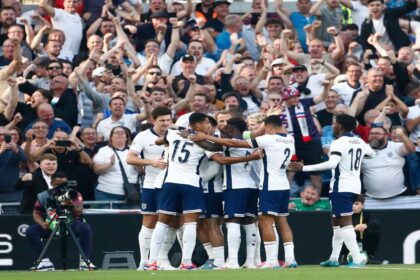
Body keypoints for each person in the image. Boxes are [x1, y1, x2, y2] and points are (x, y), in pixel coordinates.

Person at [144, 112, 260, 270]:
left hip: (170, 183)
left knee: (163, 222)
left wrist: (179, 135)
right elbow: (221, 156)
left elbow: (158, 141)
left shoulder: (173, 134)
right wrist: (250, 158)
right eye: (206, 123)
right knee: (191, 224)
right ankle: (186, 262)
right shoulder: (204, 142)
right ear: (197, 125)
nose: (209, 127)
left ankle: (151, 262)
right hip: (192, 184)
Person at [189, 115, 298, 268]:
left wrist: (199, 138)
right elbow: (250, 136)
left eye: (226, 128)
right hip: (255, 186)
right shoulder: (287, 139)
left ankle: (233, 261)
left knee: (233, 222)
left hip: (236, 187)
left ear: (232, 128)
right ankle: (253, 261)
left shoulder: (235, 142)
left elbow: (215, 147)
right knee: (251, 224)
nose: (224, 131)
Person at [289, 114, 375, 267]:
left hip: (341, 186)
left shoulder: (338, 143)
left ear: (340, 125)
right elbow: (372, 154)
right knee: (336, 222)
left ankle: (357, 258)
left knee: (345, 222)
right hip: (354, 185)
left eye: (334, 123)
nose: (333, 126)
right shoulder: (359, 140)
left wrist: (304, 168)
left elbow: (331, 164)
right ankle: (334, 258)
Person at [126, 107, 171, 268]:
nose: (166, 123)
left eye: (168, 120)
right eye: (162, 120)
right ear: (153, 120)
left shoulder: (176, 135)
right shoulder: (143, 136)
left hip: (172, 184)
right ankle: (144, 262)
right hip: (152, 183)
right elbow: (130, 158)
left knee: (172, 222)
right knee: (149, 221)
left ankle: (161, 260)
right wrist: (151, 162)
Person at [25, 172, 95, 271]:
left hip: (71, 224)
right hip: (51, 225)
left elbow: (78, 212)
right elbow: (36, 212)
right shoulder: (43, 196)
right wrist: (41, 223)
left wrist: (70, 205)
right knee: (31, 231)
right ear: (52, 183)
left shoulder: (73, 194)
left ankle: (85, 261)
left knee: (85, 227)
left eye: (64, 184)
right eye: (58, 184)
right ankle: (44, 262)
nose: (61, 187)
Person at [361, 126, 415, 198]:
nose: (374, 136)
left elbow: (411, 149)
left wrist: (402, 135)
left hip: (399, 195)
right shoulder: (363, 149)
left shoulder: (395, 146)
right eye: (371, 133)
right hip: (370, 197)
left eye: (377, 133)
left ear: (386, 136)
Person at [93, 126, 138, 207]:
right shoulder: (103, 150)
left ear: (127, 137)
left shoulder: (134, 150)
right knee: (109, 219)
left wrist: (137, 163)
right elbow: (96, 169)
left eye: (122, 133)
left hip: (130, 193)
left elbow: (142, 172)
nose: (120, 134)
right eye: (117, 132)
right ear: (111, 137)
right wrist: (109, 164)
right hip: (106, 193)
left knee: (130, 220)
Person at [340, 195, 382, 264]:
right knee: (340, 233)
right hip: (349, 242)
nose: (353, 206)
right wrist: (351, 229)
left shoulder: (367, 214)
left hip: (363, 241)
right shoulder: (346, 215)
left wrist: (365, 225)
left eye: (356, 204)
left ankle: (369, 256)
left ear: (362, 205)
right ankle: (344, 256)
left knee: (376, 231)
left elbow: (376, 222)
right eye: (351, 204)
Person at [0, 126, 28, 203]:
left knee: (11, 213)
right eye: (0, 134)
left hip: (11, 189)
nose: (2, 137)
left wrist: (15, 149)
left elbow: (25, 159)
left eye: (5, 134)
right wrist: (1, 151)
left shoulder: (15, 147)